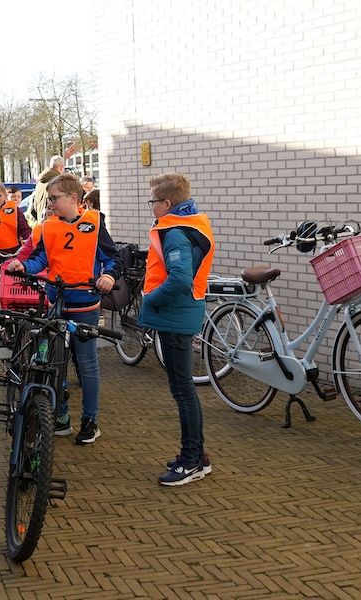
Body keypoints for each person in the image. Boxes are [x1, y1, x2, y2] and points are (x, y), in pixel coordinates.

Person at [7, 173, 120, 444]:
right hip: (57, 303)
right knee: (55, 365)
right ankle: (61, 416)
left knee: (87, 362)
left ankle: (90, 421)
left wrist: (109, 277)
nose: (51, 203)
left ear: (72, 198)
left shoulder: (94, 224)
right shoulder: (49, 227)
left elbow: (112, 258)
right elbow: (40, 259)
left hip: (84, 305)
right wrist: (23, 266)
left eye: (54, 198)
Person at [139, 172, 215, 486]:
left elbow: (180, 278)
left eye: (153, 202)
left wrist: (151, 301)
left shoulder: (175, 233)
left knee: (183, 392)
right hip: (180, 315)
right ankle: (198, 456)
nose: (151, 207)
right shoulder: (191, 224)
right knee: (182, 390)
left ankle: (191, 460)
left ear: (167, 203)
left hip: (174, 317)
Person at [25, 155, 65, 226]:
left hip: (41, 224)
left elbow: (33, 209)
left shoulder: (39, 184)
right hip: (55, 224)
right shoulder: (59, 182)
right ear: (61, 167)